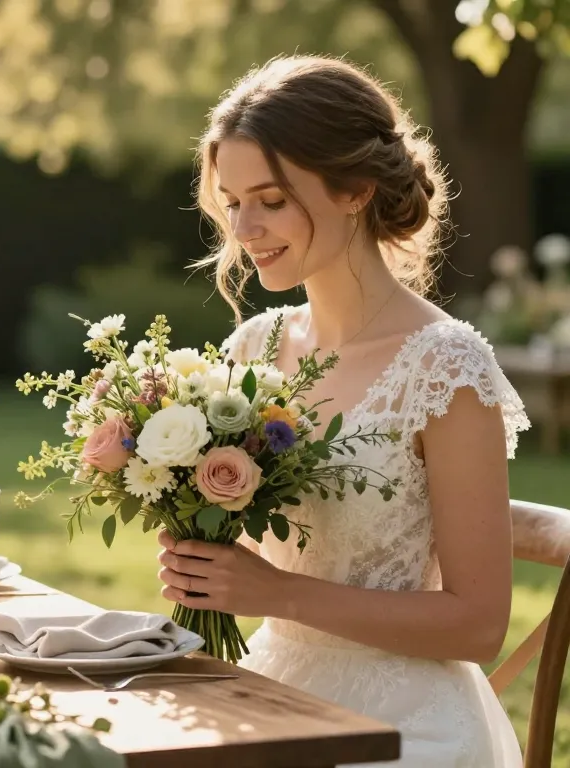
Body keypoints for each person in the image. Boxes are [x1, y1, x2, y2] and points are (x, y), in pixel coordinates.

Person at [156, 54, 531, 767]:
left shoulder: (445, 367)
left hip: (407, 729)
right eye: (232, 201)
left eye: (270, 199)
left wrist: (274, 591)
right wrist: (198, 553)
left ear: (355, 189)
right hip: (267, 694)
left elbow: (480, 625)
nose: (245, 226)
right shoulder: (255, 347)